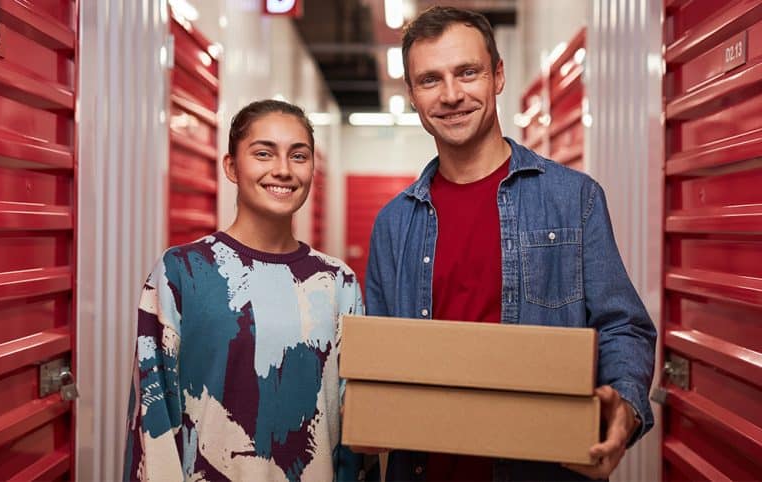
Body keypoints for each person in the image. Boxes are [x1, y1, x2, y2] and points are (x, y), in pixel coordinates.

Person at [362, 6, 656, 481]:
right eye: (431, 80)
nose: (452, 95)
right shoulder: (394, 224)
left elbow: (624, 326)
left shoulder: (573, 199)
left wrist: (624, 403)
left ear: (497, 76)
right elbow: (374, 358)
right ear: (413, 95)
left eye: (468, 72)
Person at [124, 100, 364, 481]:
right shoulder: (181, 273)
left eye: (298, 156)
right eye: (263, 153)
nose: (283, 170)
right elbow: (152, 419)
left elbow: (355, 431)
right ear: (232, 167)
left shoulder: (338, 283)